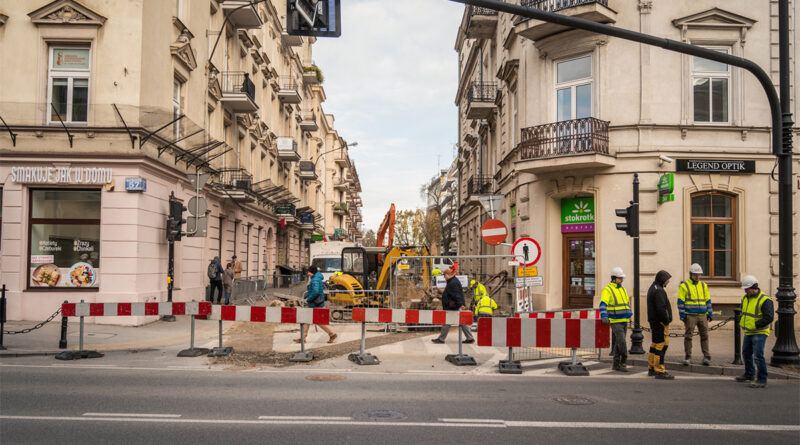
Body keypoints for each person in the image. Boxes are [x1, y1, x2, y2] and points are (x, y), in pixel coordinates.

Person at [735, 275, 774, 388]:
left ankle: (762, 379)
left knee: (758, 356)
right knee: (746, 353)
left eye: (747, 289)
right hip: (749, 331)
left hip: (760, 332)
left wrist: (755, 325)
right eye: (745, 289)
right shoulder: (745, 298)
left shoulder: (765, 300)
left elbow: (769, 317)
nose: (746, 291)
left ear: (754, 287)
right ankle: (749, 374)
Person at [678, 263, 713, 366]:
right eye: (696, 275)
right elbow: (680, 302)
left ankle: (706, 356)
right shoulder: (684, 286)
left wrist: (710, 312)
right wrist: (682, 315)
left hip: (702, 315)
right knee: (688, 336)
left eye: (699, 275)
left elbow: (708, 300)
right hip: (690, 315)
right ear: (691, 274)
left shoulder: (703, 285)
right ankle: (688, 356)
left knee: (705, 335)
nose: (698, 277)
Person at [599, 267, 632, 372]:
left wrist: (629, 313)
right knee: (622, 342)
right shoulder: (607, 290)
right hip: (615, 320)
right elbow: (603, 304)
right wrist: (604, 315)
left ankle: (616, 364)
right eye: (619, 278)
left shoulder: (622, 289)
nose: (621, 280)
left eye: (622, 278)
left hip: (624, 319)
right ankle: (623, 361)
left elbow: (626, 303)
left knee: (619, 342)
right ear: (613, 278)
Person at [295, 265, 337, 344]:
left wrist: (309, 298)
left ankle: (332, 334)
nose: (307, 273)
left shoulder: (314, 280)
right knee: (307, 320)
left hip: (315, 303)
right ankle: (302, 337)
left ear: (312, 272)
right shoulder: (316, 278)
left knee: (316, 320)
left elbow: (315, 291)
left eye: (308, 272)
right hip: (316, 303)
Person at [432, 268, 474, 344]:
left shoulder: (453, 283)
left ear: (448, 275)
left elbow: (456, 295)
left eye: (444, 275)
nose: (444, 277)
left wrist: (461, 304)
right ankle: (470, 337)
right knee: (461, 322)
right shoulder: (452, 281)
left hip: (453, 306)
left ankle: (441, 339)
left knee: (448, 322)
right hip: (454, 305)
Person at [647, 270, 675, 379]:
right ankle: (660, 370)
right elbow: (661, 309)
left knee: (654, 344)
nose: (668, 282)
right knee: (661, 346)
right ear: (662, 280)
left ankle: (652, 368)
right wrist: (666, 320)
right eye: (667, 280)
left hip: (654, 321)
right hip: (660, 323)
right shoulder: (659, 291)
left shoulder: (653, 287)